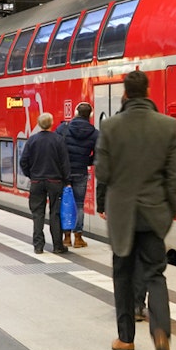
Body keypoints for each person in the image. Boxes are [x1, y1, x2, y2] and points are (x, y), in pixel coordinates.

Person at [96, 70, 176, 350]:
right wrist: (167, 212)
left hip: (122, 215)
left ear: (125, 93)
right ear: (147, 91)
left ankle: (126, 339)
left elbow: (103, 174)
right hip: (154, 214)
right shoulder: (167, 126)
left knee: (122, 275)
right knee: (155, 275)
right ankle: (161, 335)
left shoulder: (110, 127)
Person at [19, 112, 71, 255]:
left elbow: (23, 162)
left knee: (38, 214)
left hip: (37, 181)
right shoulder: (59, 140)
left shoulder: (32, 140)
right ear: (52, 123)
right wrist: (67, 181)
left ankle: (38, 246)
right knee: (55, 213)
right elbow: (65, 163)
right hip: (55, 181)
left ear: (39, 123)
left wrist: (31, 175)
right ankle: (57, 245)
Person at [56, 102, 98, 248]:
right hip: (81, 171)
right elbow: (98, 155)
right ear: (90, 115)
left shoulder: (63, 128)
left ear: (75, 113)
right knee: (79, 204)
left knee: (66, 202)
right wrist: (86, 160)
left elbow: (55, 147)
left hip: (64, 173)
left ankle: (66, 237)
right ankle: (78, 237)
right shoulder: (94, 133)